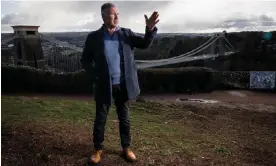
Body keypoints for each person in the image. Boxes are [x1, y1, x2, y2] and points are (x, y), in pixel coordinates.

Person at [81, 2, 159, 164]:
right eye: (112, 14)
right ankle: (98, 149)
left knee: (125, 118)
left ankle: (126, 148)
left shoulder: (126, 34)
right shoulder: (93, 37)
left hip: (123, 84)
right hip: (104, 85)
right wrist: (96, 76)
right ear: (103, 16)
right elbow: (85, 61)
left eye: (118, 14)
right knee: (100, 118)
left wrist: (150, 29)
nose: (116, 17)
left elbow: (145, 44)